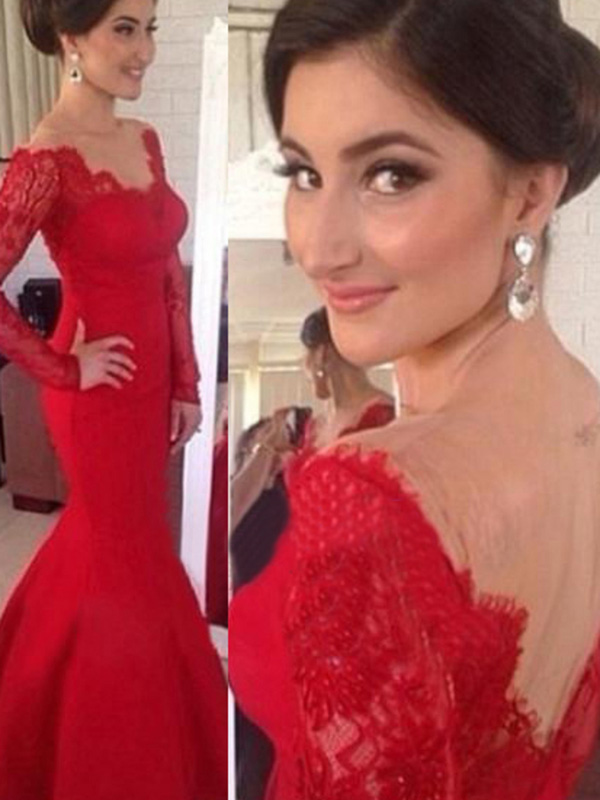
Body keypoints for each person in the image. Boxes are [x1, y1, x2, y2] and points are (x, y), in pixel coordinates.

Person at [229, 0, 600, 798]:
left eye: (391, 175)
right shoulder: (584, 408)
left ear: (530, 195)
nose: (318, 248)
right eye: (304, 174)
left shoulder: (372, 496)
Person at [0, 0, 227, 797]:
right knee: (123, 560)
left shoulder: (144, 139)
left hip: (151, 385)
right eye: (124, 29)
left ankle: (51, 693)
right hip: (96, 394)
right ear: (72, 39)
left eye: (149, 27)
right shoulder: (44, 158)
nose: (145, 50)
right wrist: (63, 369)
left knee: (116, 553)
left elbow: (166, 269)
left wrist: (187, 382)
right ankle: (109, 753)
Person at [300, 306, 395, 449]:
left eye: (306, 356)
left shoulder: (383, 417)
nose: (304, 368)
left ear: (321, 354)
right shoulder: (316, 427)